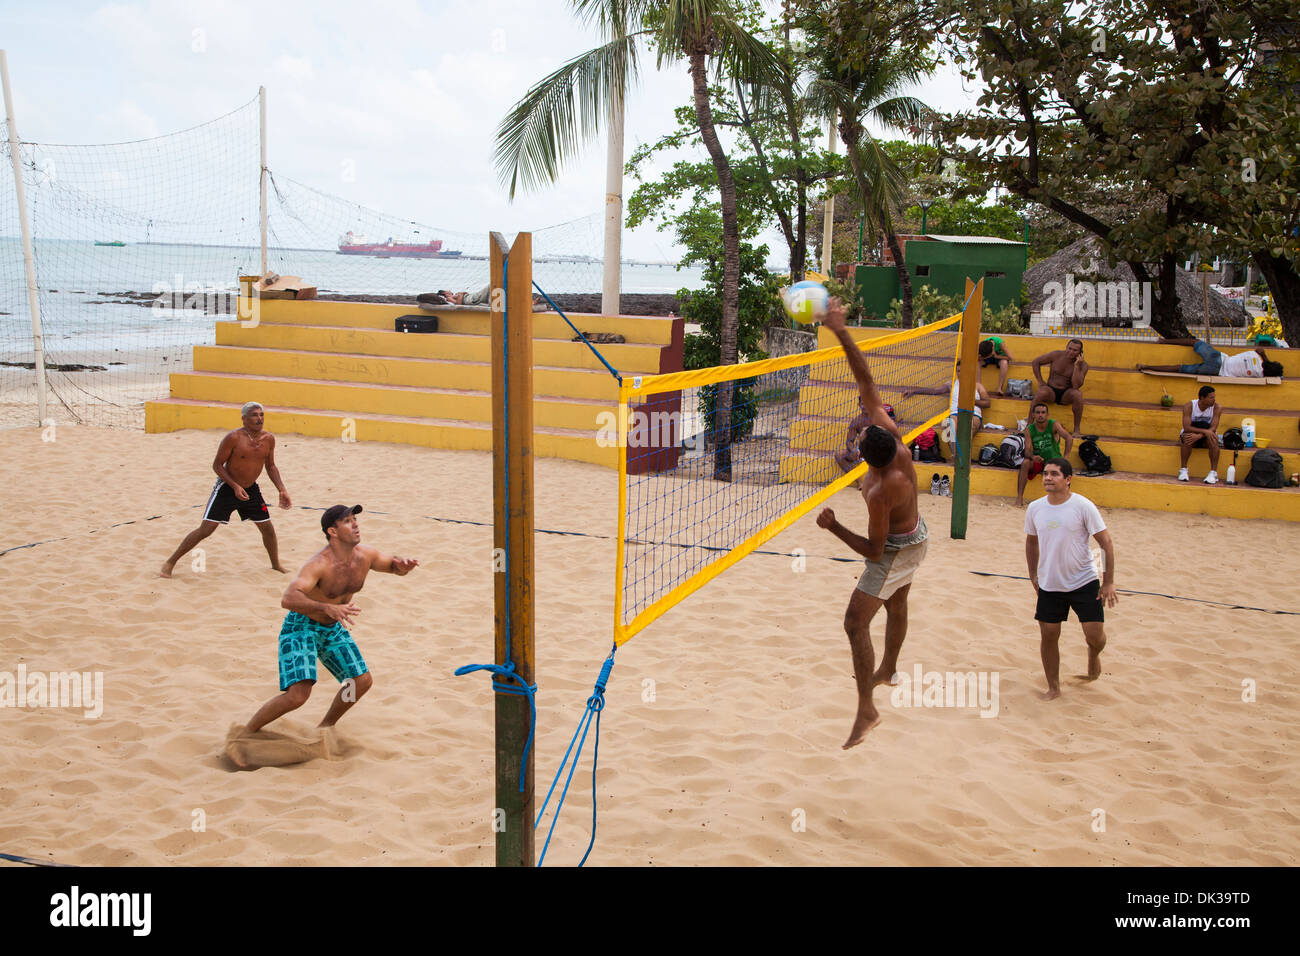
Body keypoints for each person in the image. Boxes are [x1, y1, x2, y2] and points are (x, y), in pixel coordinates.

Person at [815, 297, 927, 749]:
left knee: (854, 623)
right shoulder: (894, 442)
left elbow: (876, 551)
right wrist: (841, 331)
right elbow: (866, 381)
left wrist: (834, 527)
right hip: (916, 537)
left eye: (859, 434)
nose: (859, 427)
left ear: (866, 459)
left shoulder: (881, 492)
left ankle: (866, 709)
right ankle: (890, 668)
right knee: (897, 603)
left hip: (897, 546)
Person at [228, 504, 418, 766]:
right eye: (348, 521)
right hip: (301, 626)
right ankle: (245, 733)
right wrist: (326, 606)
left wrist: (403, 566)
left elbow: (392, 565)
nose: (355, 524)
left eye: (355, 519)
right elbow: (288, 598)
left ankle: (325, 727)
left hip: (332, 627)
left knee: (360, 681)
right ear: (333, 531)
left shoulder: (366, 555)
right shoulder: (319, 564)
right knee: (298, 695)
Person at [160, 402, 290, 578]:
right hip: (227, 488)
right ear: (244, 419)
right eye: (254, 415)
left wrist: (281, 489)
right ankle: (170, 563)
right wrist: (235, 486)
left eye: (261, 415)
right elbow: (217, 465)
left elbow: (271, 466)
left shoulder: (269, 439)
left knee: (267, 528)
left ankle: (275, 564)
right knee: (206, 530)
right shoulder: (233, 438)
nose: (259, 419)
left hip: (251, 490)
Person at [1024, 459, 1118, 700]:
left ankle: (1093, 654)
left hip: (1084, 580)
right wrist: (1033, 573)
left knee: (1095, 636)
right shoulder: (1035, 508)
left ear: (1068, 479)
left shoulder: (1083, 506)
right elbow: (1031, 542)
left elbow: (1105, 543)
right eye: (1045, 474)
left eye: (1054, 474)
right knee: (1049, 635)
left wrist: (1108, 582)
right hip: (1050, 583)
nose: (1047, 478)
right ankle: (1053, 687)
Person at [901, 358, 992, 453]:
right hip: (955, 413)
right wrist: (915, 390)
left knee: (966, 428)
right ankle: (956, 456)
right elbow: (935, 391)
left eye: (963, 371)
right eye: (958, 371)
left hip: (973, 414)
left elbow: (987, 403)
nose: (960, 373)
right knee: (948, 425)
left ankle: (961, 457)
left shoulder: (977, 385)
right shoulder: (952, 384)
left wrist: (970, 401)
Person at [1015, 401, 1074, 506]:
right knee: (1025, 463)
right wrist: (1033, 457)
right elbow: (1027, 451)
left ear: (1047, 414)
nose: (1040, 415)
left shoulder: (1053, 424)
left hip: (1054, 462)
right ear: (1033, 415)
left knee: (1065, 469)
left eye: (1043, 412)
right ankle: (1019, 498)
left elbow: (1068, 437)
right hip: (1040, 461)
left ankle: (1065, 500)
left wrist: (1065, 457)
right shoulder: (1029, 429)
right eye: (1038, 412)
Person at [1136, 337, 1284, 379]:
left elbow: (1260, 349)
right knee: (1180, 368)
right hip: (1216, 372)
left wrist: (1265, 357)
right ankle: (1145, 366)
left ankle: (1164, 341)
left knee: (1194, 342)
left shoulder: (1256, 356)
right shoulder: (1259, 375)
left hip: (1219, 358)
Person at [1030, 338, 1088, 438]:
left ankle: (1077, 429)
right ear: (1066, 347)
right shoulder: (1056, 355)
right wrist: (1040, 381)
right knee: (1041, 392)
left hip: (1066, 393)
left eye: (1075, 350)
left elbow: (1076, 385)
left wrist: (1077, 366)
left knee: (1078, 394)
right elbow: (1035, 362)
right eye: (1069, 348)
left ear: (1080, 353)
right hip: (1051, 390)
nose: (1071, 352)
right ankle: (1029, 425)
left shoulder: (1083, 365)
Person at [835, 399, 896, 475]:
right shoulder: (856, 421)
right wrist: (854, 450)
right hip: (862, 451)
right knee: (839, 455)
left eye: (866, 403)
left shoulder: (878, 418)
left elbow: (888, 437)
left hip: (878, 449)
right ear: (859, 405)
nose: (864, 406)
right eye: (862, 404)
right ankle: (859, 482)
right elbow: (849, 441)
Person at [1178, 385, 1223, 483]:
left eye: (1214, 397)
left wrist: (1199, 436)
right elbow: (1187, 427)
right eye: (1211, 397)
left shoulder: (1217, 407)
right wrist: (1203, 432)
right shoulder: (1189, 406)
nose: (1214, 400)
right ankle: (1183, 470)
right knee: (1187, 437)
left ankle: (1213, 473)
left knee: (1213, 439)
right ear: (1202, 398)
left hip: (1206, 435)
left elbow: (1213, 428)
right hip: (1191, 433)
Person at [436, 287, 550, 310]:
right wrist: (460, 295)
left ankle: (528, 303)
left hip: (474, 299)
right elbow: (458, 302)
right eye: (448, 291)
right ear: (445, 293)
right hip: (471, 299)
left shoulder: (454, 295)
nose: (450, 291)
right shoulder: (449, 298)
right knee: (493, 285)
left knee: (501, 295)